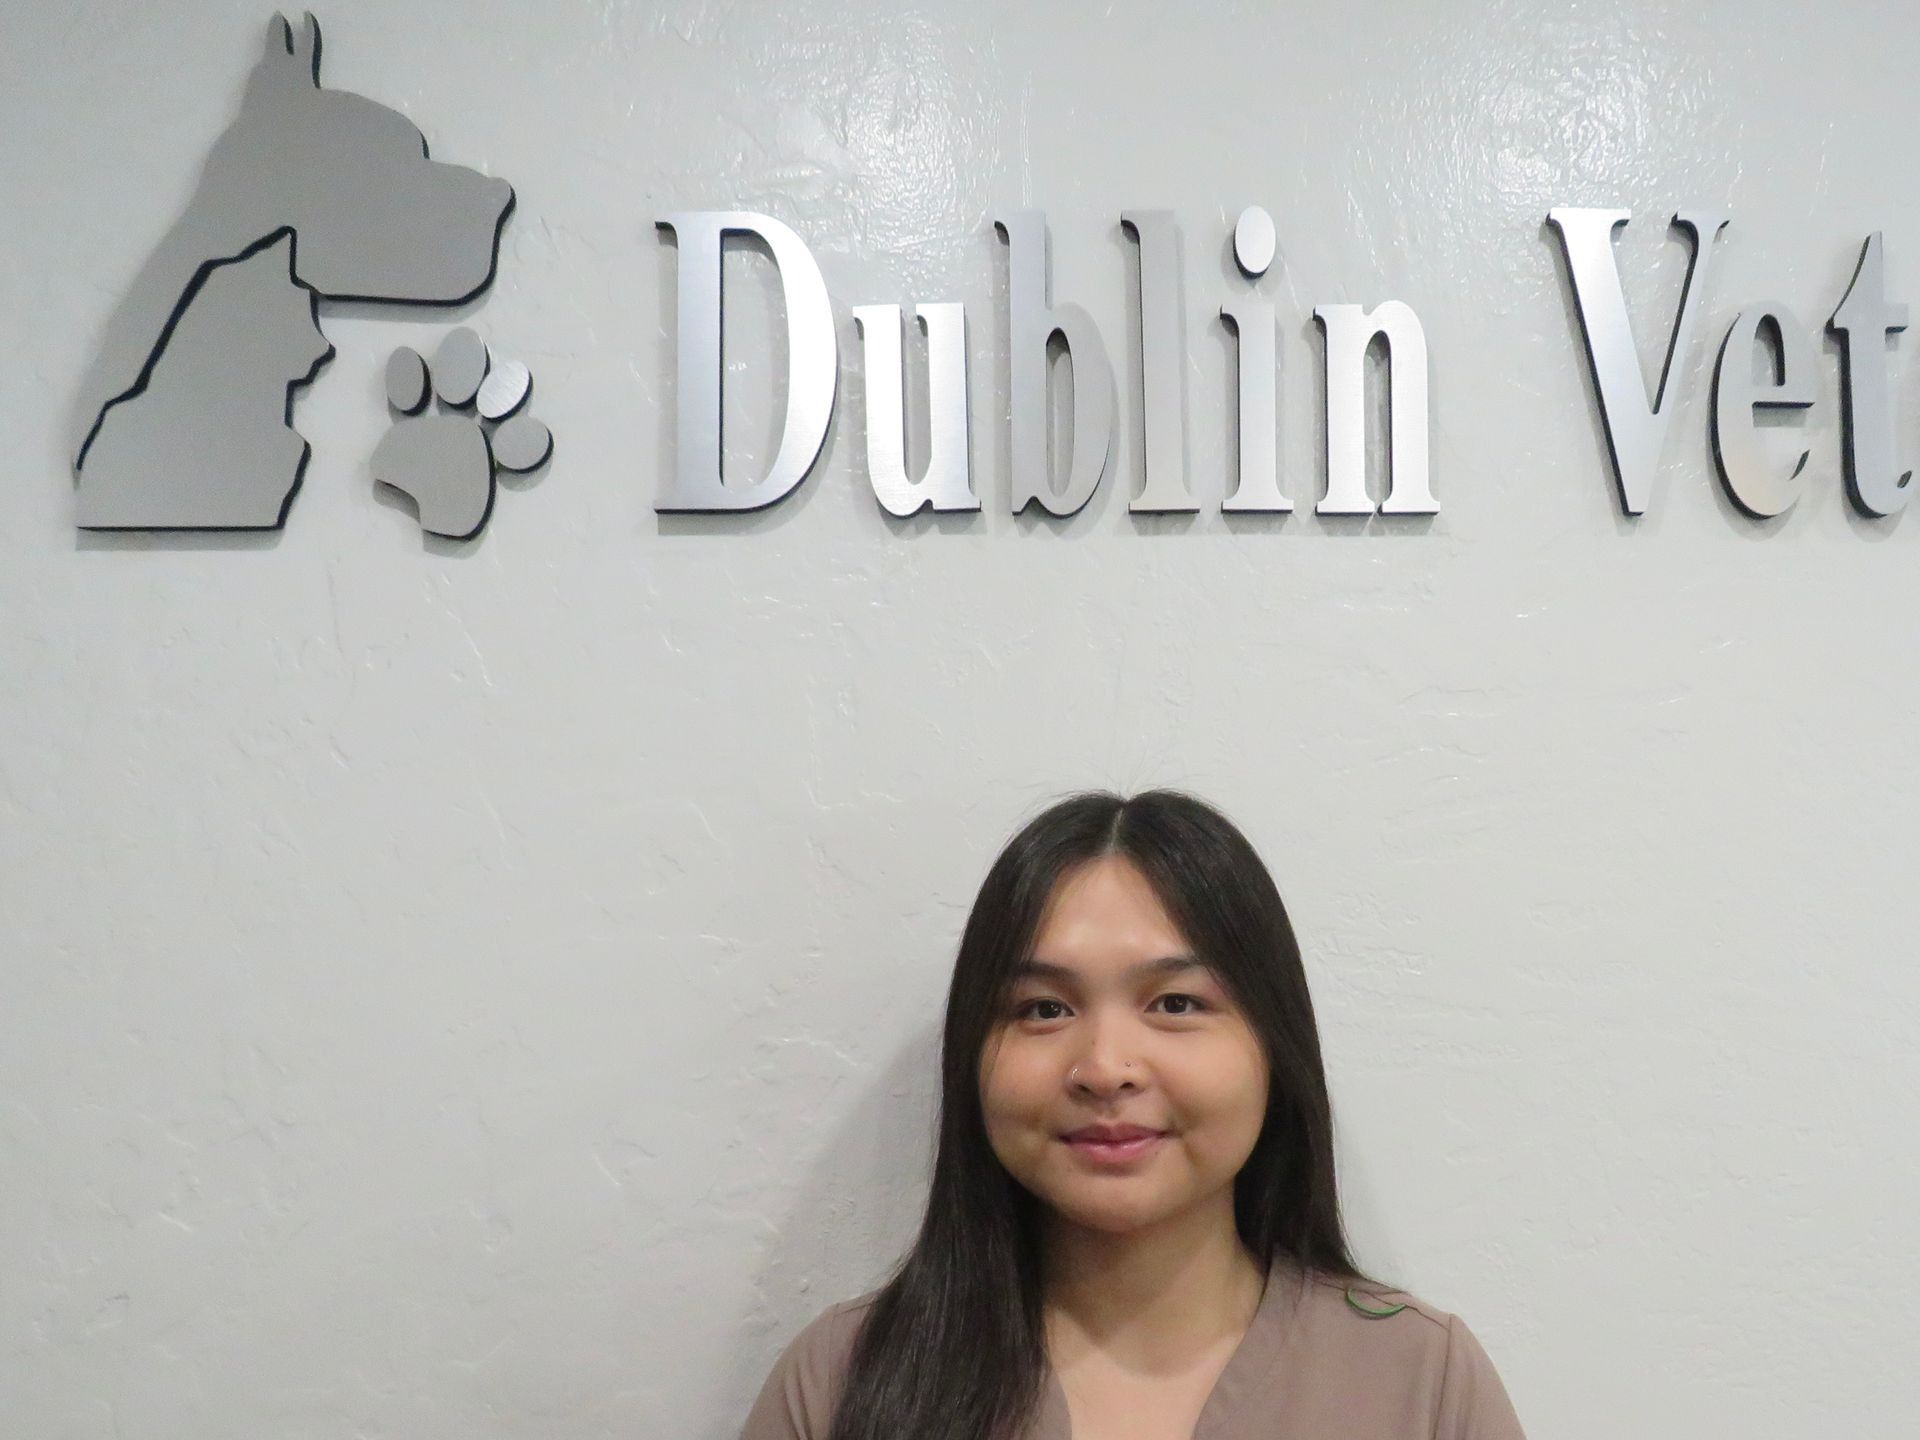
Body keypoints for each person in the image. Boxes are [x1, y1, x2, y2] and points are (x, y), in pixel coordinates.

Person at [738, 789, 1526, 1440]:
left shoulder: (1421, 1384)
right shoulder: (839, 1386)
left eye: (1176, 1003)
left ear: (1273, 1046)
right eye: (1043, 1009)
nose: (1105, 1067)